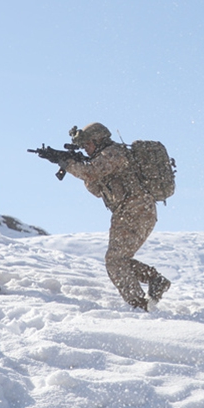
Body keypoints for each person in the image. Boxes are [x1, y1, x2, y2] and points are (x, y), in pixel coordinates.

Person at [57, 122, 170, 311]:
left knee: (115, 261)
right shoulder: (103, 157)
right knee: (119, 259)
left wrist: (69, 164)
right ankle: (154, 280)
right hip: (132, 211)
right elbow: (96, 188)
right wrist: (77, 164)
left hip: (135, 211)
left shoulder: (113, 153)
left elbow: (90, 172)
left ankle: (138, 305)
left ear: (98, 139)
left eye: (88, 144)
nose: (86, 149)